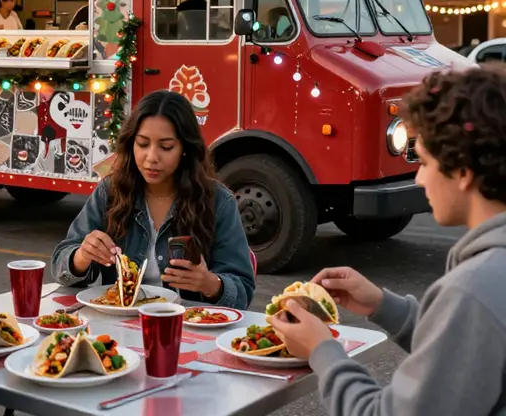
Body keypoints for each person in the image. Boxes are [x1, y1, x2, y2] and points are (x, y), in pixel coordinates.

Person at [272, 64, 506, 416]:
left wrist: (321, 348)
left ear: (462, 173)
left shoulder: (473, 289)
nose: (420, 178)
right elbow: (464, 358)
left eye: (424, 161)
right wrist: (383, 305)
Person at [52, 90, 255, 308]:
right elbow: (60, 267)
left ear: (185, 149)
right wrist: (81, 256)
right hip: (118, 328)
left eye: (166, 147)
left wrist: (210, 284)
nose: (152, 158)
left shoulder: (218, 201)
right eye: (143, 144)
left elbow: (242, 292)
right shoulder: (111, 191)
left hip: (187, 331)